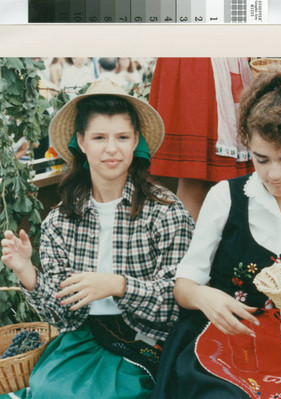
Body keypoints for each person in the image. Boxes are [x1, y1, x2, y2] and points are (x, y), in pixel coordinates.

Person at [151, 65, 281, 399]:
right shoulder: (225, 196)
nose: (274, 174)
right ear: (247, 145)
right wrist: (205, 298)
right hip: (226, 341)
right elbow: (184, 284)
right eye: (261, 159)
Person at [0, 79, 194, 398]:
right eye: (99, 137)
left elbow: (178, 304)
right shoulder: (60, 220)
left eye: (122, 137)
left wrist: (118, 285)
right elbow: (62, 315)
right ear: (82, 142)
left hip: (147, 340)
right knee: (46, 387)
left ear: (135, 143)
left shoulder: (165, 211)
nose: (111, 148)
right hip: (84, 337)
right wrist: (27, 273)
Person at [148, 57, 255, 221]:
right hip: (198, 63)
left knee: (225, 181)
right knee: (194, 177)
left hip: (221, 58)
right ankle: (185, 243)